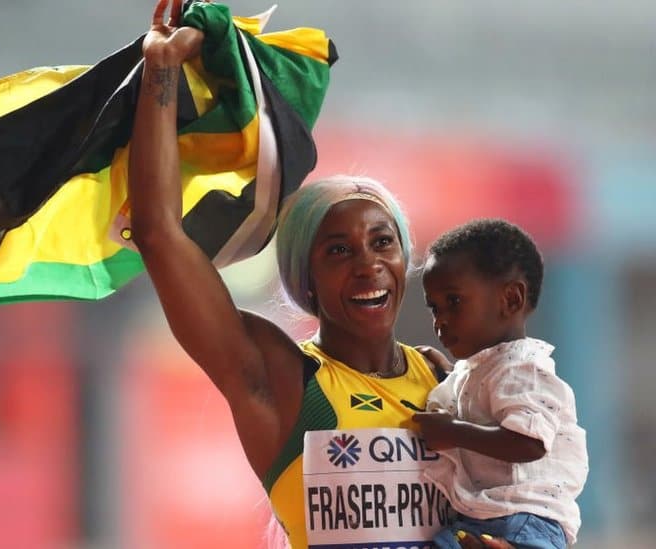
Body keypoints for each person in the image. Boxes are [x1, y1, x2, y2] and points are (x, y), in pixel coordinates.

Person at [128, 2, 524, 547]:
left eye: (382, 242)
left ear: (404, 261)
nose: (367, 263)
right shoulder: (279, 377)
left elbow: (516, 508)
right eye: (338, 251)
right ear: (305, 278)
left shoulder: (443, 379)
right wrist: (161, 70)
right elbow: (158, 234)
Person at [414, 219, 589, 549]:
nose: (441, 321)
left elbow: (528, 443)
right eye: (434, 308)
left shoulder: (525, 369)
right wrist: (449, 375)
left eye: (454, 302)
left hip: (527, 520)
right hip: (485, 514)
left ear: (510, 299)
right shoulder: (485, 368)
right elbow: (483, 401)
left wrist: (451, 432)